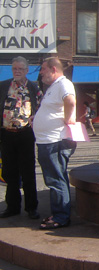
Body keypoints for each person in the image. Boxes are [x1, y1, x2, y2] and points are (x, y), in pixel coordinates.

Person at [33, 57, 77, 230]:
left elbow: (71, 101)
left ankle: (61, 217)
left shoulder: (63, 84)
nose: (41, 72)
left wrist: (68, 119)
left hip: (54, 141)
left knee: (55, 179)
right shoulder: (54, 87)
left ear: (53, 69)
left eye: (43, 69)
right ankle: (60, 213)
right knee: (56, 178)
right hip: (48, 141)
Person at [0, 56, 43, 220]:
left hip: (25, 134)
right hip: (7, 134)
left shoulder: (34, 87)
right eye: (14, 69)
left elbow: (40, 109)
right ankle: (12, 207)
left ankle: (31, 207)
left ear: (26, 70)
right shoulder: (3, 86)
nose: (16, 71)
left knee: (28, 173)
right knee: (9, 173)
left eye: (20, 69)